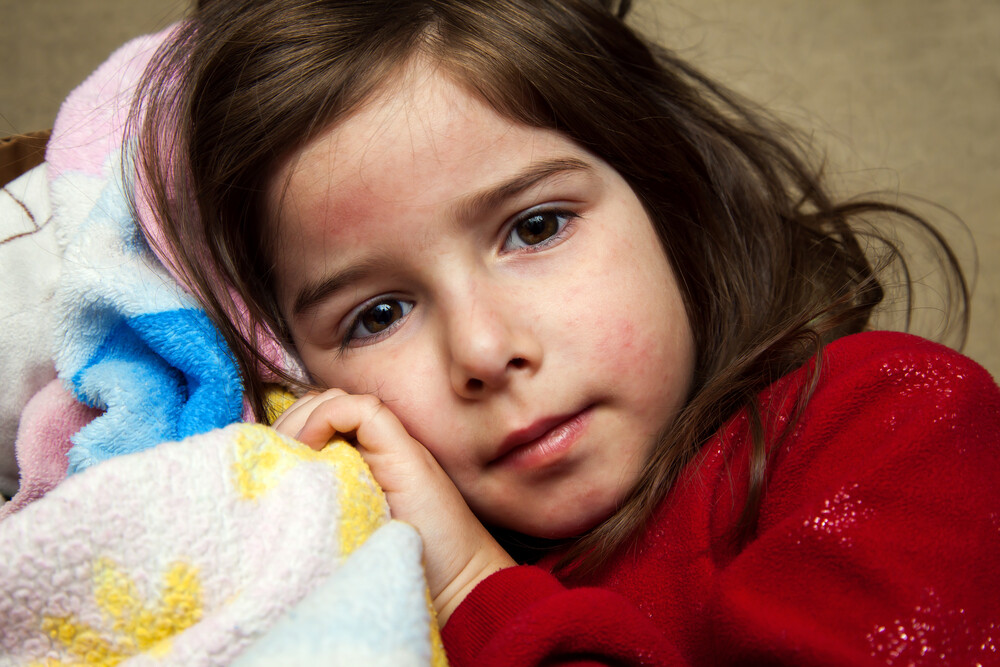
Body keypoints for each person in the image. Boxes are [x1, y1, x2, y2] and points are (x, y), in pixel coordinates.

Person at [129, 0, 1000, 664]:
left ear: (665, 191)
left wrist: (478, 589)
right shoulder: (350, 577)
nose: (483, 350)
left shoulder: (892, 421)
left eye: (536, 227)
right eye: (378, 314)